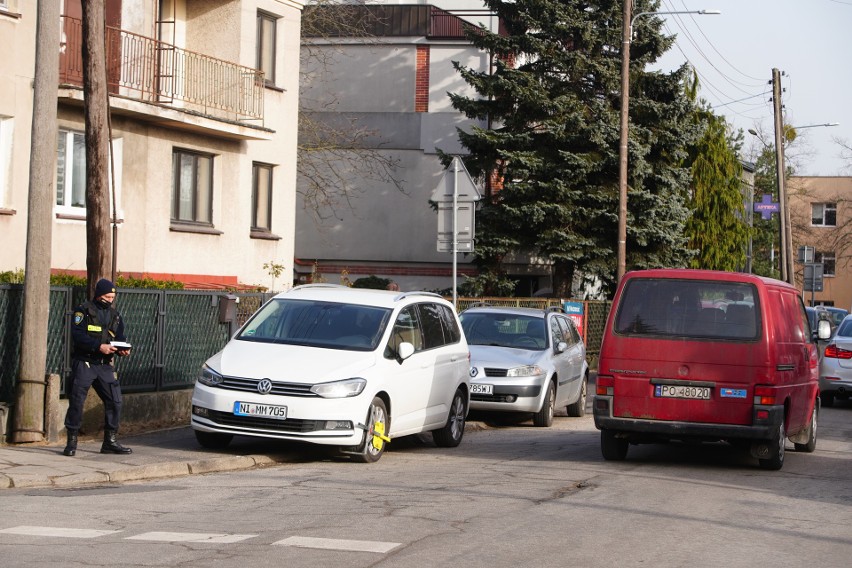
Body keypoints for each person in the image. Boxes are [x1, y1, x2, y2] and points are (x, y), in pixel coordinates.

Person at [63, 278, 133, 456]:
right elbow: (77, 336)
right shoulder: (83, 311)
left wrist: (122, 349)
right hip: (85, 363)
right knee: (77, 402)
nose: (110, 300)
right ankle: (71, 442)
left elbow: (120, 336)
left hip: (104, 365)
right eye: (107, 296)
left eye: (112, 297)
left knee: (115, 401)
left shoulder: (115, 315)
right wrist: (98, 346)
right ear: (99, 295)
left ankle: (110, 442)